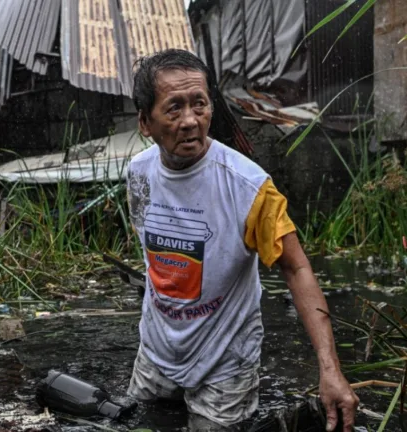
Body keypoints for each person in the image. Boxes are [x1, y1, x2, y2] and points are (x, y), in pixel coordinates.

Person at [125, 49, 359, 431]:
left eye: (199, 104)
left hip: (225, 364)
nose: (189, 121)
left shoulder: (248, 187)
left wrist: (330, 370)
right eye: (173, 108)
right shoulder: (138, 172)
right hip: (155, 352)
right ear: (144, 122)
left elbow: (297, 268)